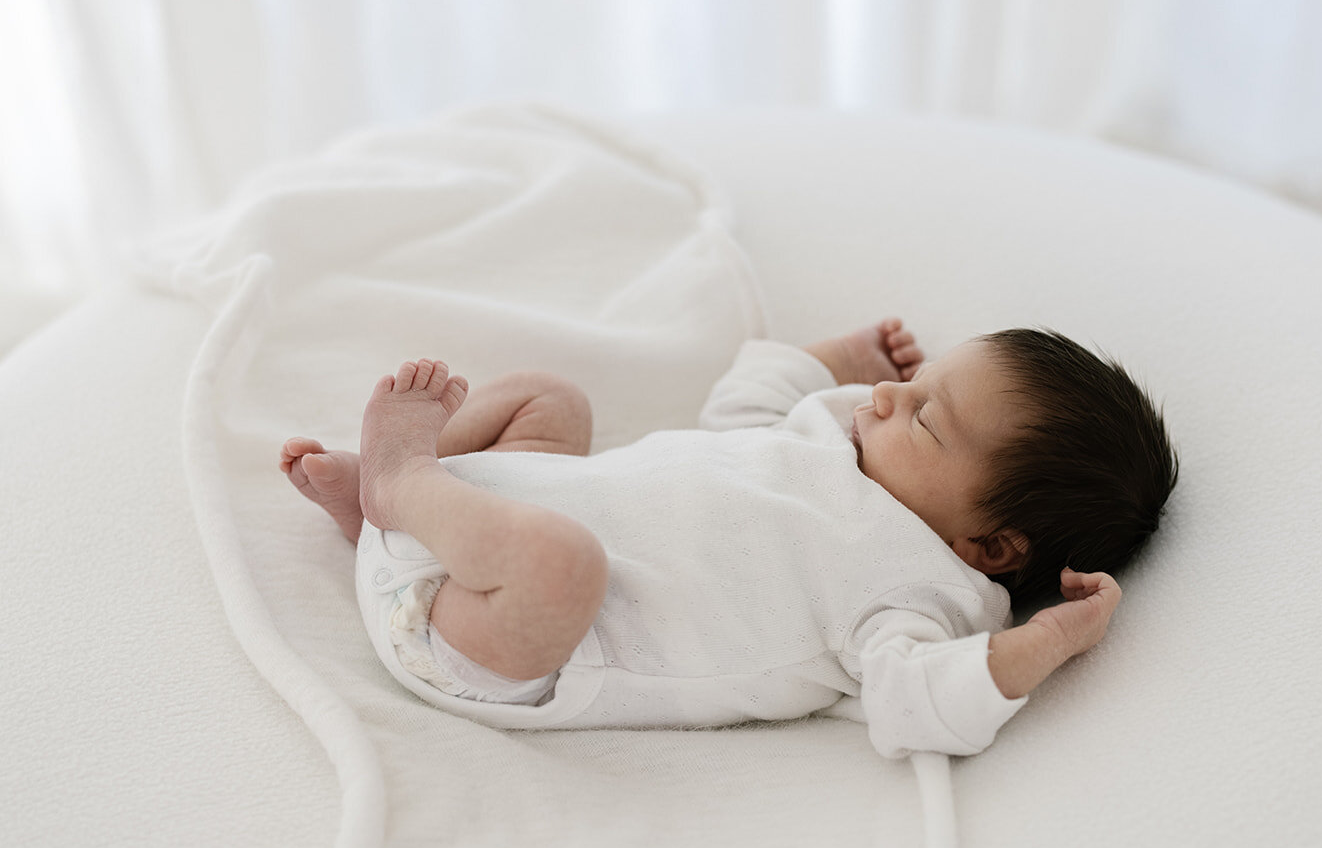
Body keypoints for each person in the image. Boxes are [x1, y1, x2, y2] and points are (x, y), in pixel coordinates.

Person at [279, 319, 1178, 757]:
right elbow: (739, 409)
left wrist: (1046, 639)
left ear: (992, 548)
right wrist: (837, 358)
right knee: (551, 400)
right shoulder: (830, 432)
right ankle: (388, 508)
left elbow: (918, 706)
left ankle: (400, 483)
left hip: (491, 641)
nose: (890, 401)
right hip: (503, 510)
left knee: (564, 564)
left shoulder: (918, 594)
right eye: (921, 382)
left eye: (927, 420)